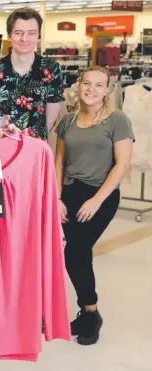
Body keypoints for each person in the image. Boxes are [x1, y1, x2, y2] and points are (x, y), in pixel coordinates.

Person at [55, 66, 134, 346]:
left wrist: (96, 200)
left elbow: (123, 164)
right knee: (75, 254)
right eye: (87, 83)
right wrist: (57, 197)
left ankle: (91, 314)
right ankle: (87, 312)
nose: (91, 89)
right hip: (70, 194)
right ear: (79, 85)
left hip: (101, 195)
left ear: (108, 90)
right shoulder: (69, 120)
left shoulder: (117, 120)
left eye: (99, 85)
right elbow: (60, 161)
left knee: (75, 251)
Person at [0, 7, 64, 140]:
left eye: (31, 33)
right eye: (18, 33)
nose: (24, 38)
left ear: (38, 35)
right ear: (9, 35)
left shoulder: (52, 69)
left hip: (34, 149)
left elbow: (50, 121)